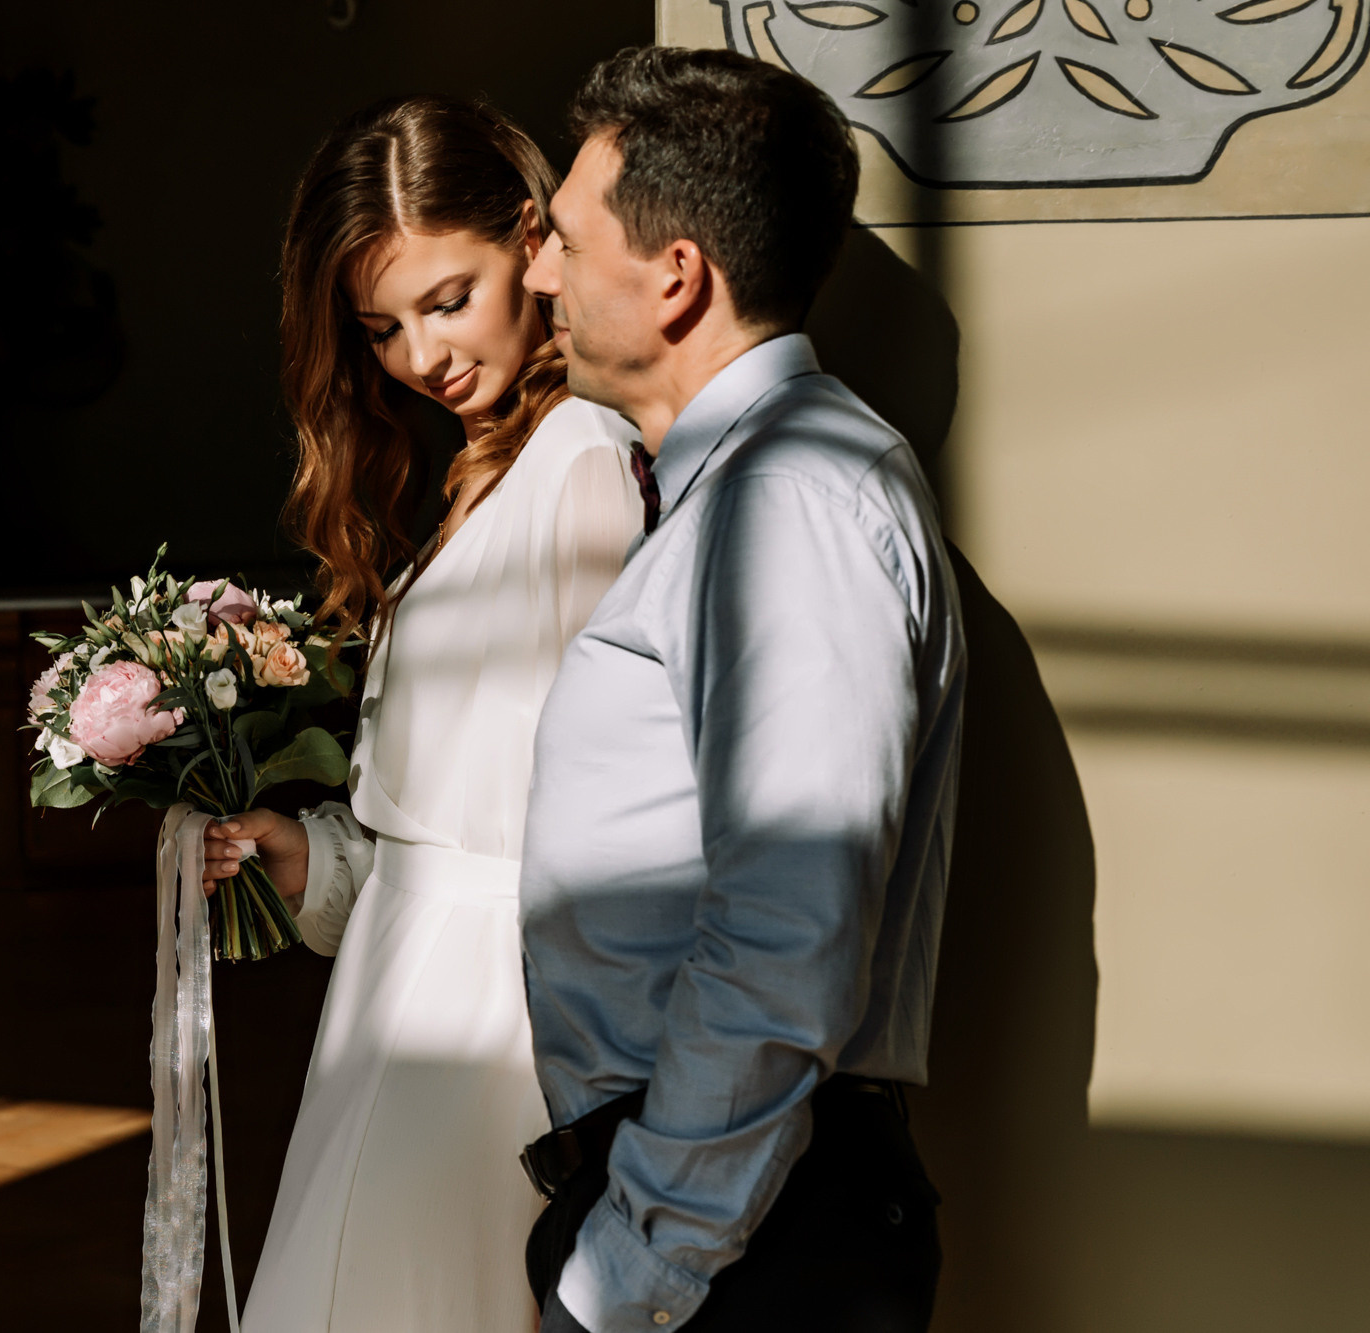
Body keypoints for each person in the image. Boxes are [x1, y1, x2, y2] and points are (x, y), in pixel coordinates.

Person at [517, 47, 967, 1333]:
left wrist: (628, 1274)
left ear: (676, 278)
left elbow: (786, 933)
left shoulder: (789, 502)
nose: (537, 271)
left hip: (740, 1244)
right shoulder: (744, 487)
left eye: (561, 238)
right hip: (718, 1214)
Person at [199, 96, 642, 1332]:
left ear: (531, 246)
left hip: (500, 1020)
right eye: (380, 326)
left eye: (448, 298)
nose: (419, 356)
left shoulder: (586, 462)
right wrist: (311, 859)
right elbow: (443, 821)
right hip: (396, 1002)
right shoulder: (481, 471)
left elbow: (602, 796)